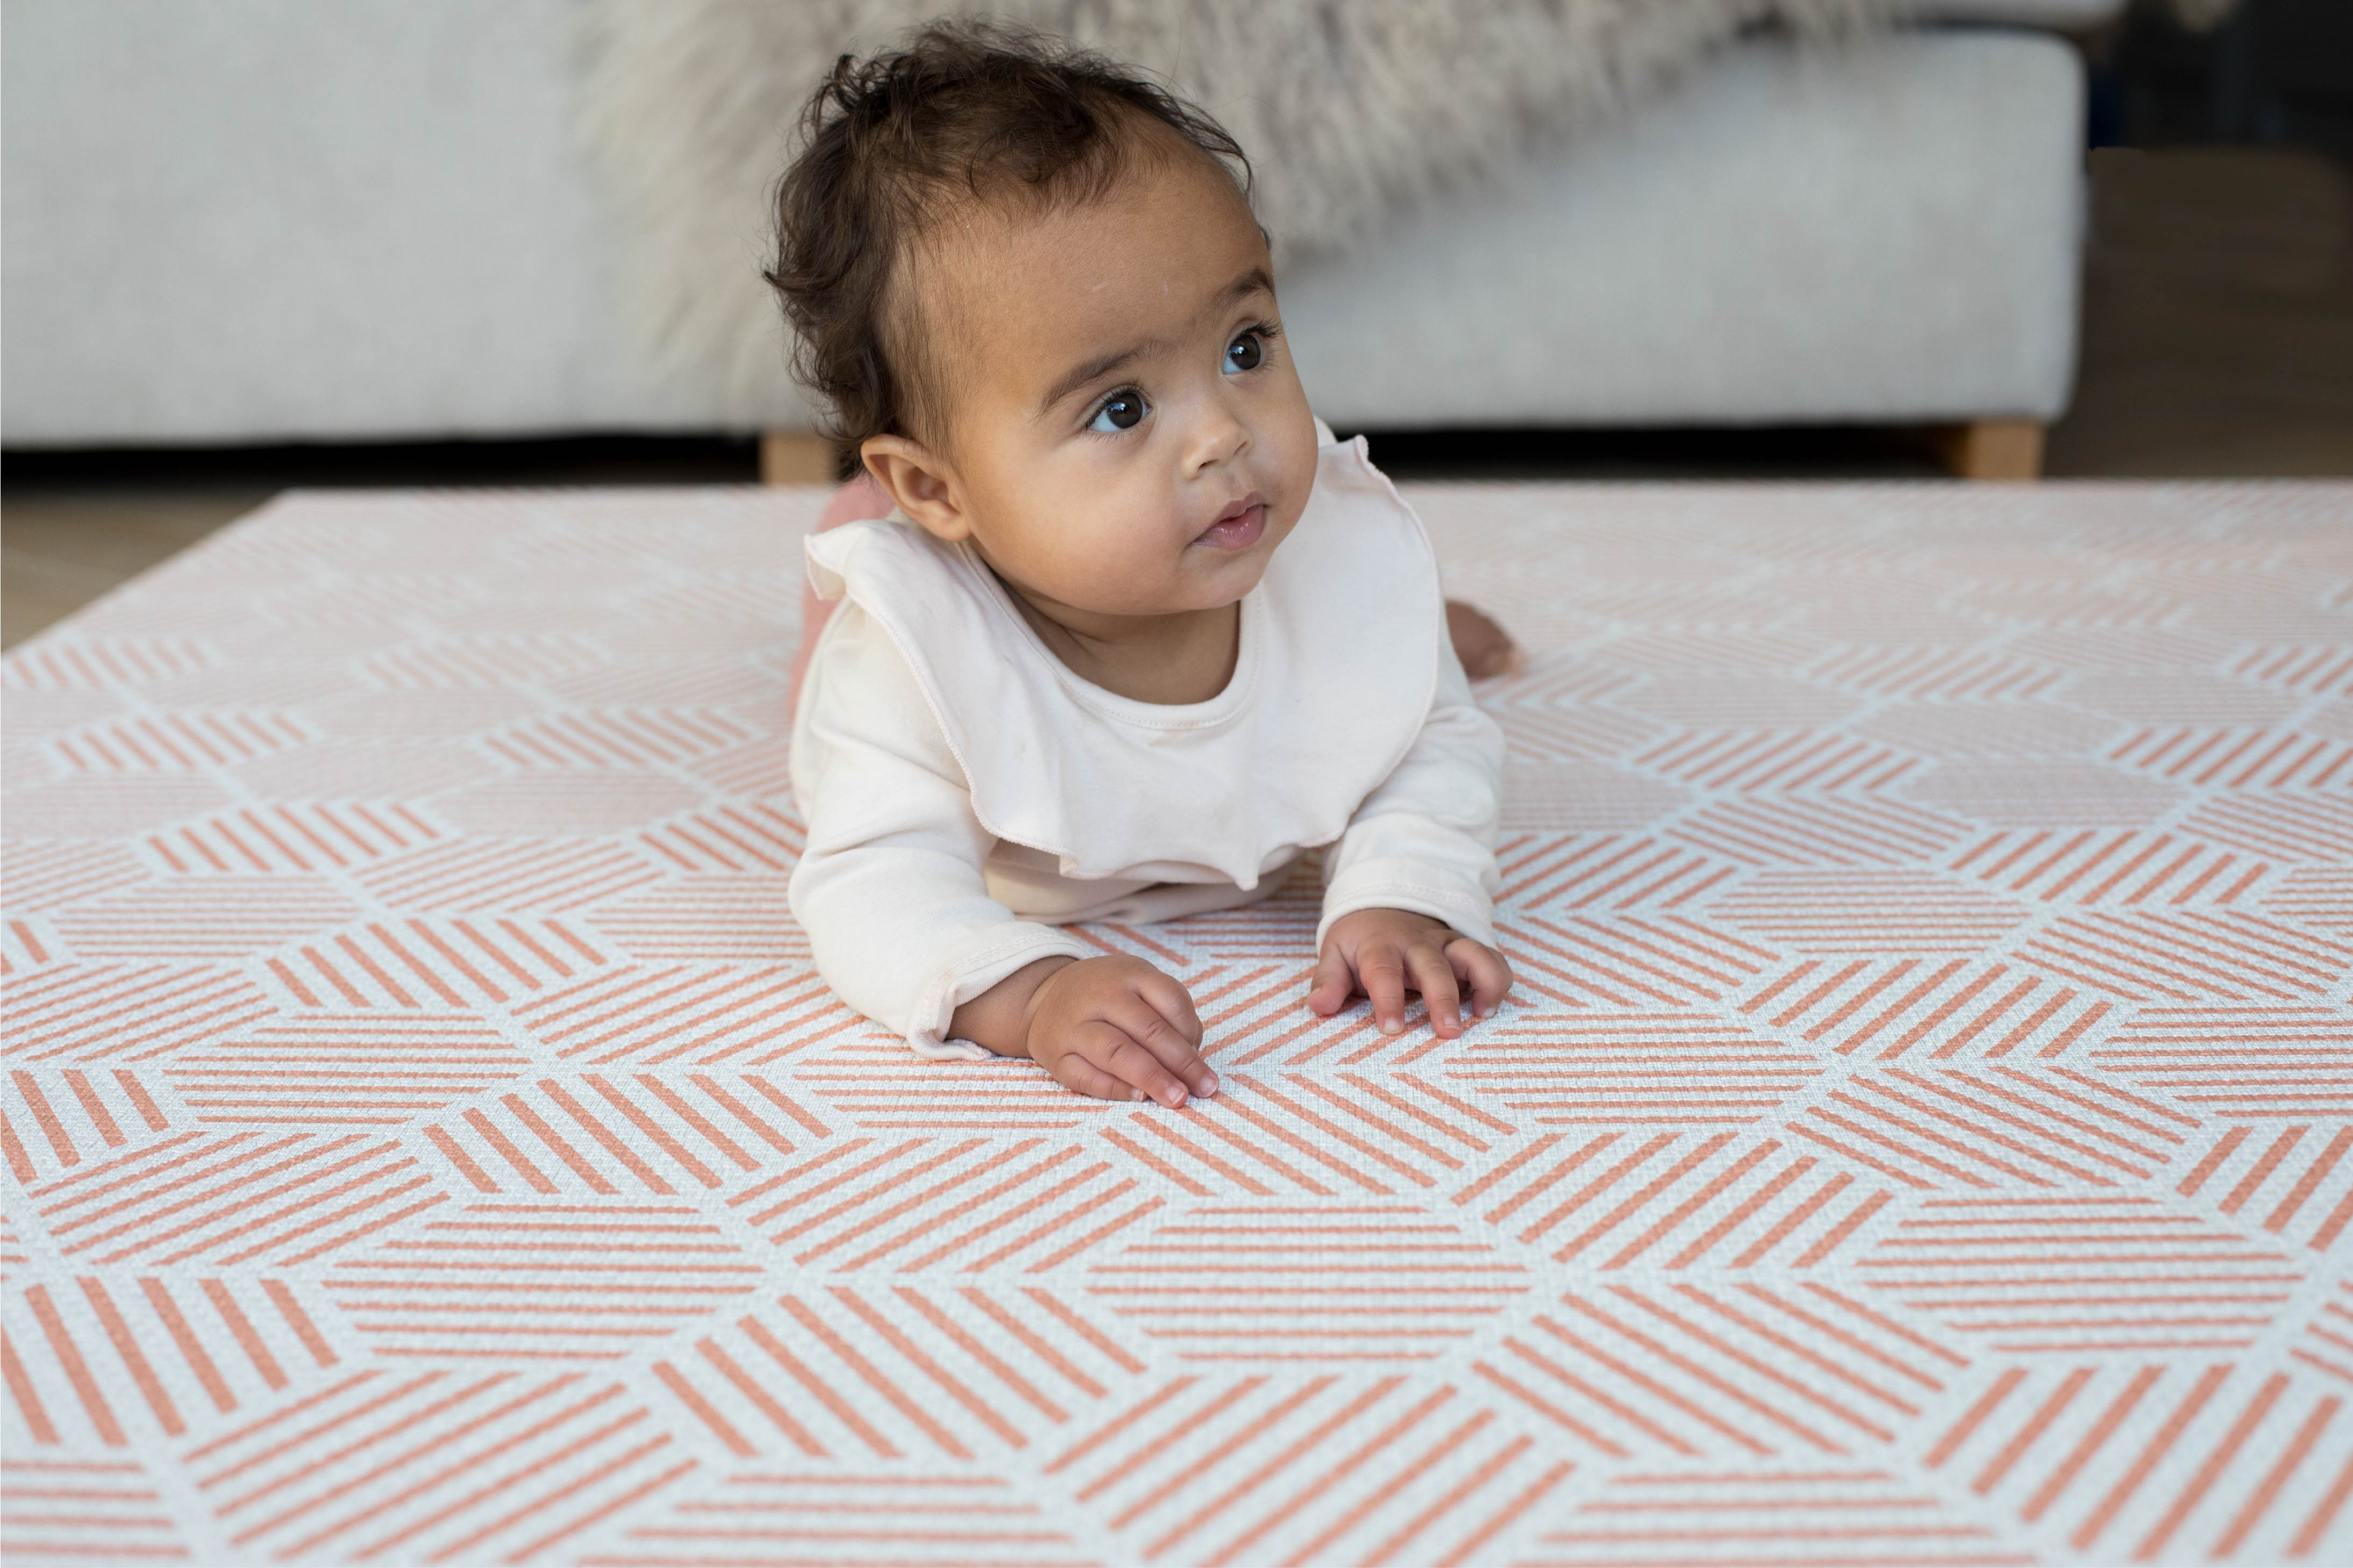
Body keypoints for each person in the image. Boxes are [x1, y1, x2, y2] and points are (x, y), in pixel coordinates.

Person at [772, 21, 1514, 1106]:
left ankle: (1421, 625)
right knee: (827, 644)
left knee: (1370, 637)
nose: (1222, 433)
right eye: (1121, 407)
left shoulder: (1312, 549)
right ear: (935, 490)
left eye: (1243, 347)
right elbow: (869, 884)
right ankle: (862, 528)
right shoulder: (916, 669)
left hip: (1174, 554)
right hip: (935, 628)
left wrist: (1405, 889)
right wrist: (1027, 996)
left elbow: (1427, 751)